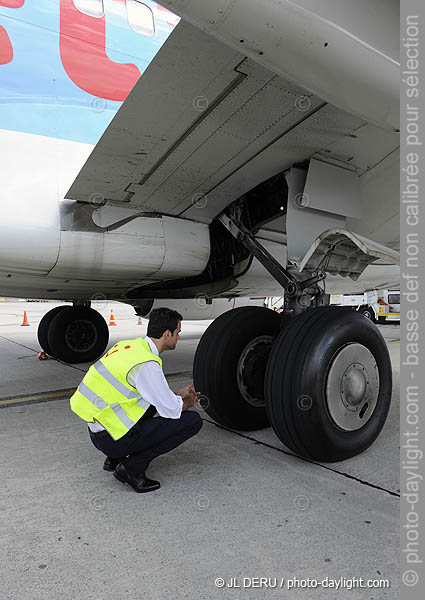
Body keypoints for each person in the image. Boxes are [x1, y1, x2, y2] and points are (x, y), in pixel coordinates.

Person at [70, 308, 202, 493]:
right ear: (167, 334)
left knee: (150, 402)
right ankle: (131, 468)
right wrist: (185, 402)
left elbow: (155, 395)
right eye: (177, 333)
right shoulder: (147, 364)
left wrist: (176, 397)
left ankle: (114, 458)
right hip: (111, 439)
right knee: (192, 421)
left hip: (99, 429)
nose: (178, 337)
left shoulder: (130, 347)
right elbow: (170, 410)